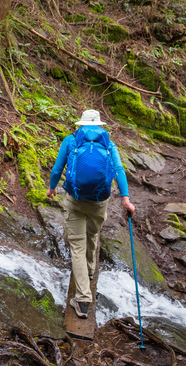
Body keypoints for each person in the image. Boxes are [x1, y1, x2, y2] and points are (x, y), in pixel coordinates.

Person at [47, 109, 134, 319]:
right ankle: (91, 270)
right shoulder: (108, 144)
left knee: (77, 245)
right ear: (99, 125)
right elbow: (119, 170)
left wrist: (51, 189)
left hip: (75, 200)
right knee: (92, 234)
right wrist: (125, 198)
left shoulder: (71, 140)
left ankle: (83, 300)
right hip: (99, 202)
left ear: (81, 125)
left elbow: (58, 169)